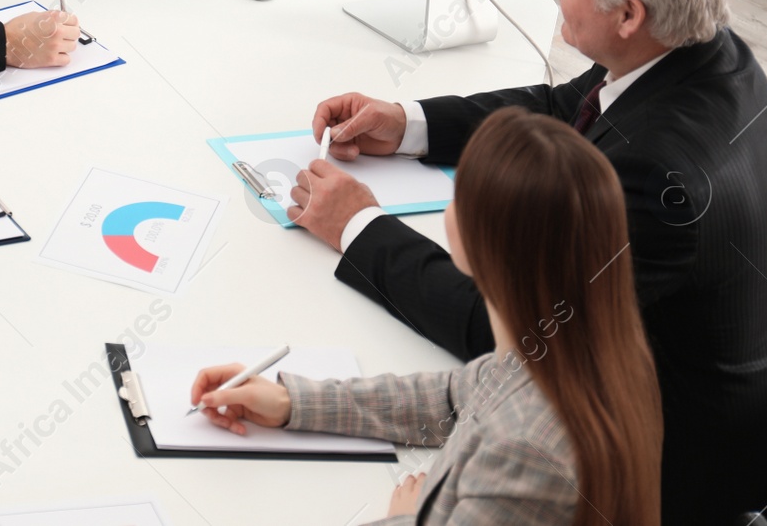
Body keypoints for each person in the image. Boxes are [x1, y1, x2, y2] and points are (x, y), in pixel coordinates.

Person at [292, 0, 767, 525]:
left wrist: (358, 226)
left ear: (628, 13)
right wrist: (408, 123)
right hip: (710, 418)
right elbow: (568, 107)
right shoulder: (698, 50)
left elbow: (510, 330)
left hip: (674, 484)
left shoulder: (657, 180)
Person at [192, 108, 662, 526]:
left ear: (483, 243)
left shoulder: (526, 452)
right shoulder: (568, 344)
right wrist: (292, 402)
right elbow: (452, 398)